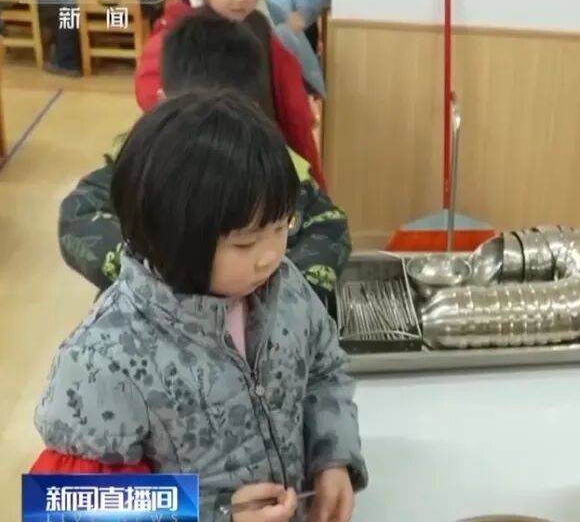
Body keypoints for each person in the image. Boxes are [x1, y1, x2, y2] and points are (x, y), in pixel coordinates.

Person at [34, 90, 367, 522]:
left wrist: (332, 458)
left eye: (280, 226)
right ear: (171, 237)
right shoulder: (103, 360)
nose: (270, 255)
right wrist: (212, 512)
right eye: (245, 243)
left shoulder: (285, 289)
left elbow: (324, 369)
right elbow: (65, 503)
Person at [59, 8, 350, 303]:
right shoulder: (142, 162)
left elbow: (329, 225)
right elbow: (79, 215)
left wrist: (283, 290)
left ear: (254, 109)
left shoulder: (272, 162)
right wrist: (157, 272)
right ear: (162, 106)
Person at [135, 0, 326, 186]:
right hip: (198, 148)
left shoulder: (259, 26)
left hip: (257, 150)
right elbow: (149, 85)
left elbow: (288, 97)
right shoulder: (181, 28)